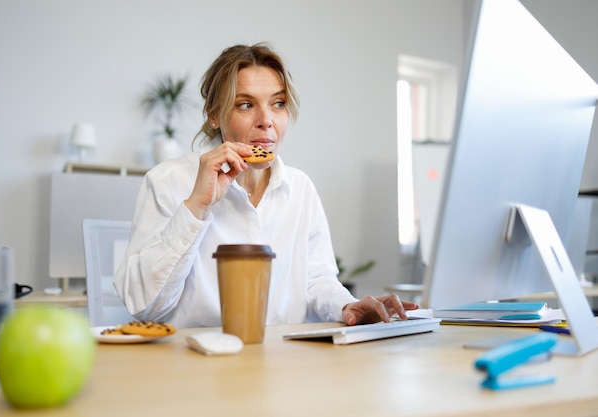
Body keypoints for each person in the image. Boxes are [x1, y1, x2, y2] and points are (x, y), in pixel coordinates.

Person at [113, 42, 419, 328]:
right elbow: (143, 305)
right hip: (195, 366)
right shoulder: (167, 182)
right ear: (214, 115)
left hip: (280, 364)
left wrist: (346, 306)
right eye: (245, 105)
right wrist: (197, 207)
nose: (266, 120)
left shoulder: (300, 189)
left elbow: (314, 277)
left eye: (278, 103)